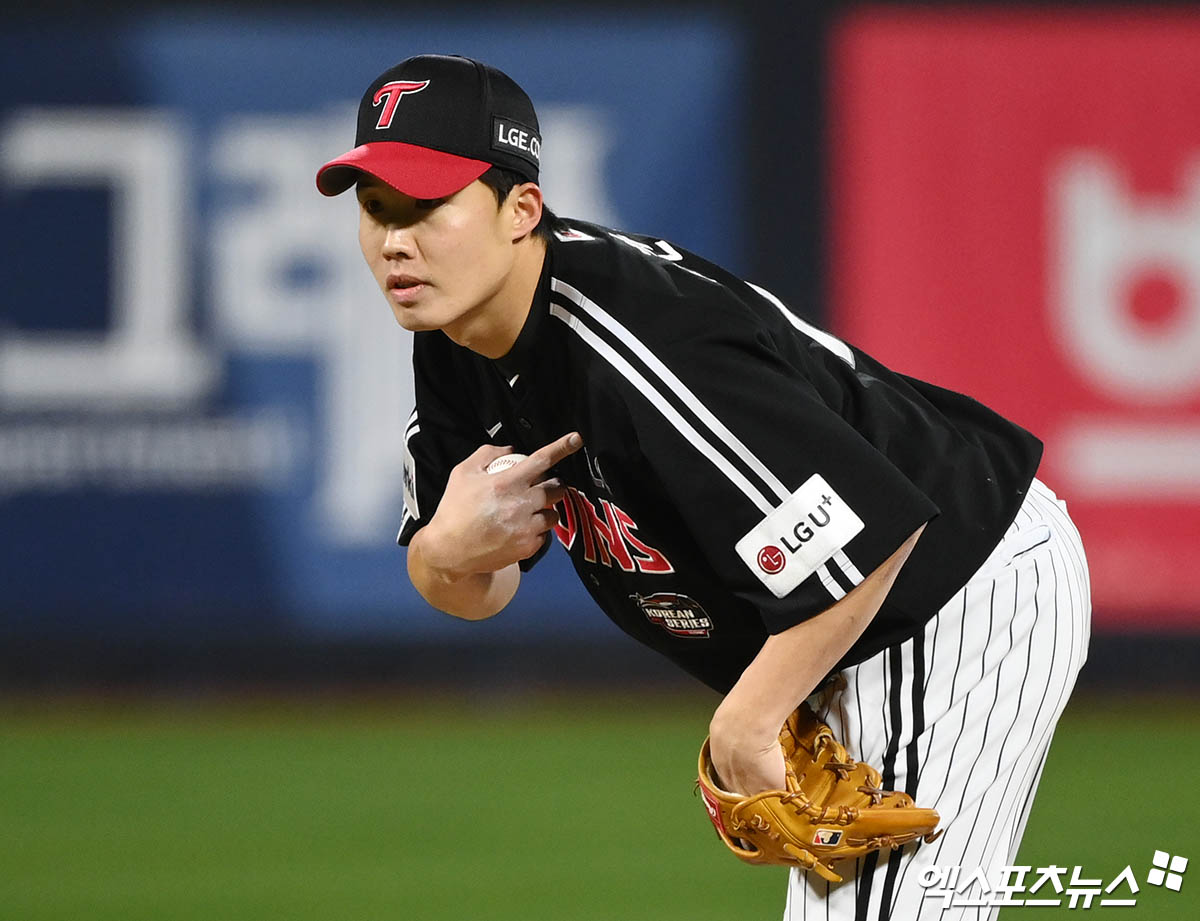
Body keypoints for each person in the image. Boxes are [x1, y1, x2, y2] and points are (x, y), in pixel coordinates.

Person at [316, 53, 1091, 920]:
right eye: (376, 208)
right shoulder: (455, 332)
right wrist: (442, 552)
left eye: (429, 205)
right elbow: (470, 584)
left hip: (955, 584)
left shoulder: (640, 340)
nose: (394, 240)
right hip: (845, 616)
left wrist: (750, 718)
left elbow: (867, 524)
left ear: (520, 209)